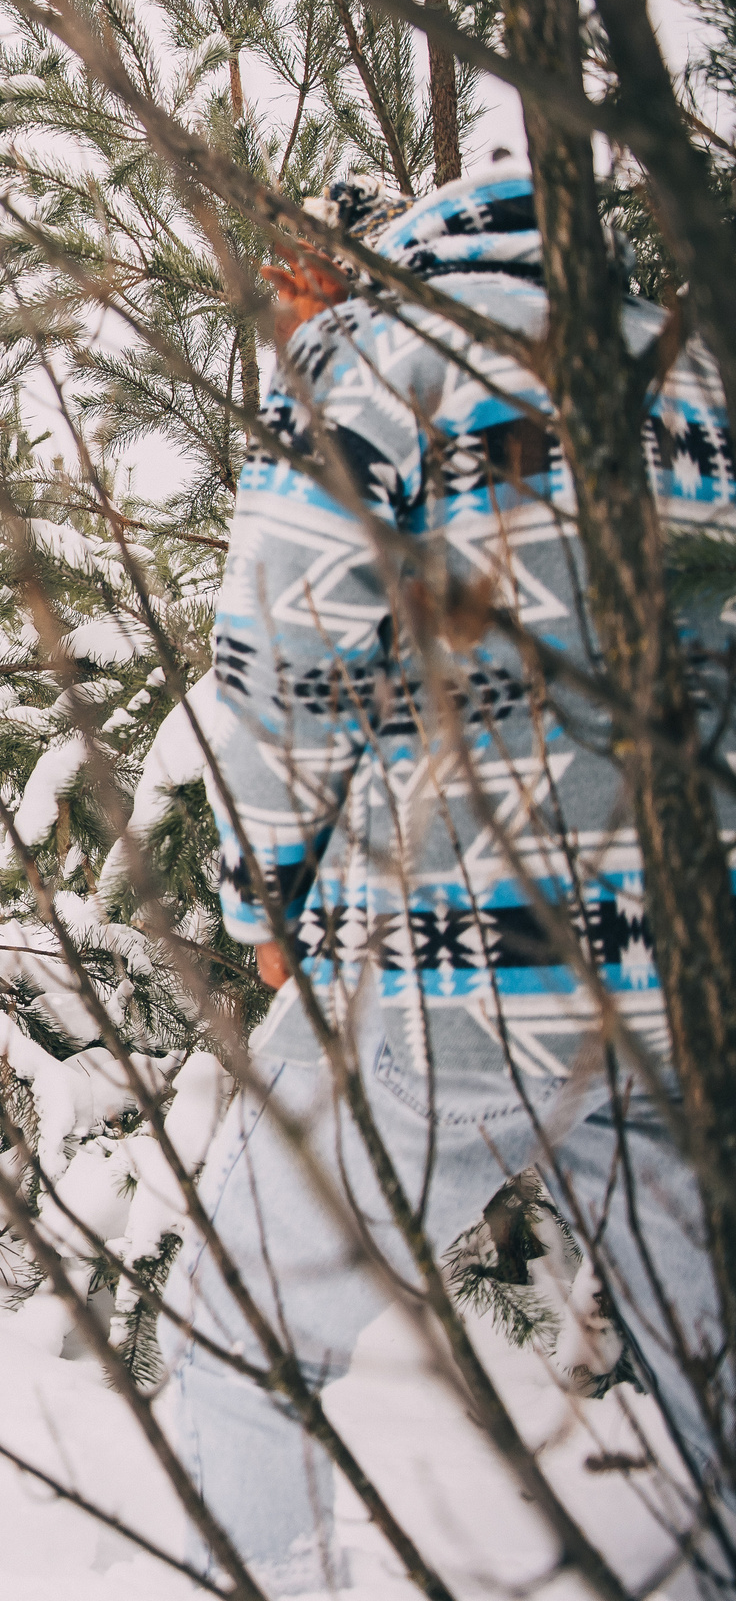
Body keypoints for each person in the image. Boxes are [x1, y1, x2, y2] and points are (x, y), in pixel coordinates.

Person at [166, 163, 736, 1587]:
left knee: (242, 1326)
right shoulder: (701, 375)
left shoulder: (382, 362)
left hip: (454, 976)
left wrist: (267, 905)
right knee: (710, 1368)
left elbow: (280, 678)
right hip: (682, 977)